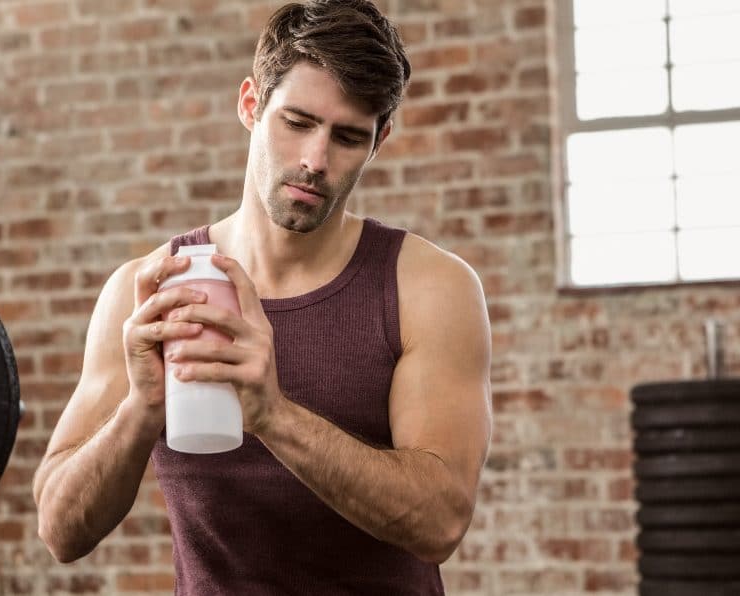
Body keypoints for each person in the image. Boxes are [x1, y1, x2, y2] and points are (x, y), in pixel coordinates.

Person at [32, 0, 492, 593]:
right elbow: (60, 530)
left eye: (348, 137)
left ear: (380, 140)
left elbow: (440, 520)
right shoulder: (148, 290)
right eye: (297, 122)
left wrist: (272, 414)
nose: (315, 161)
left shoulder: (430, 288)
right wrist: (140, 410)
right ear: (251, 104)